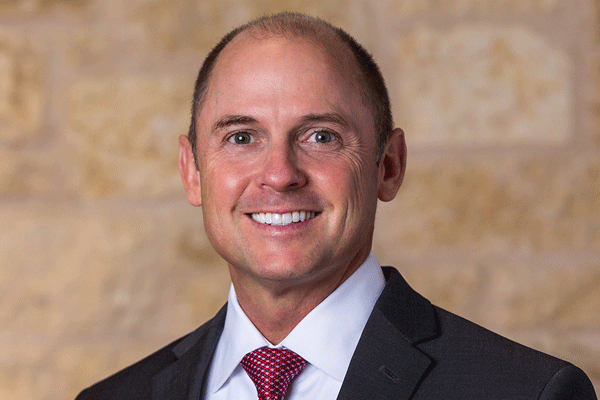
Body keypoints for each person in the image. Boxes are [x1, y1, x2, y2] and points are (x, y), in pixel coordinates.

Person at [75, 12, 597, 400]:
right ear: (192, 171)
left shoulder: (527, 393)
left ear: (388, 166)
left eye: (321, 136)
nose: (279, 174)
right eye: (241, 138)